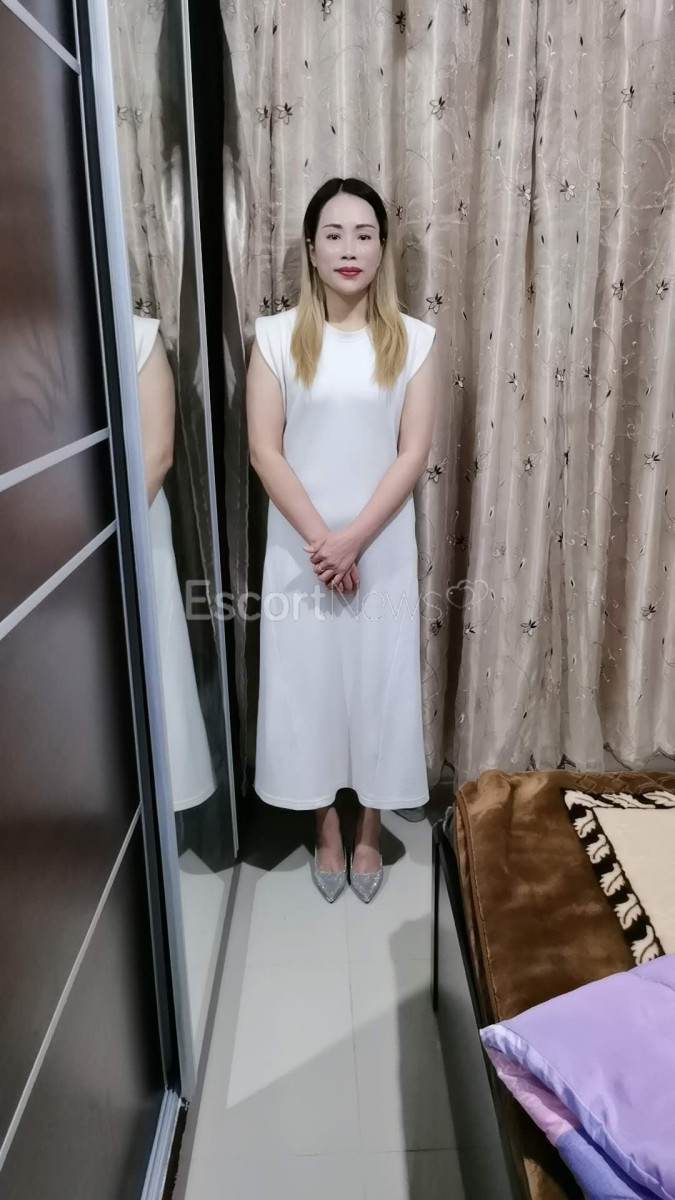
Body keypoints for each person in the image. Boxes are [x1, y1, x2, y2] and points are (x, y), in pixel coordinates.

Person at [246, 178, 438, 903]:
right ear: (310, 248)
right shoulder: (274, 337)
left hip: (378, 548)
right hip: (301, 552)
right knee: (310, 685)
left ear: (382, 248)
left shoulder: (414, 340)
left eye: (364, 234)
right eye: (333, 234)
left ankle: (369, 831)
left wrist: (352, 541)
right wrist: (322, 542)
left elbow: (412, 454)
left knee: (379, 683)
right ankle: (325, 827)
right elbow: (265, 451)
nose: (349, 248)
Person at [134, 315, 216, 814]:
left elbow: (158, 454)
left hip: (134, 520)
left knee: (153, 658)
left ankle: (163, 806)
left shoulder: (139, 337)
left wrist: (108, 534)